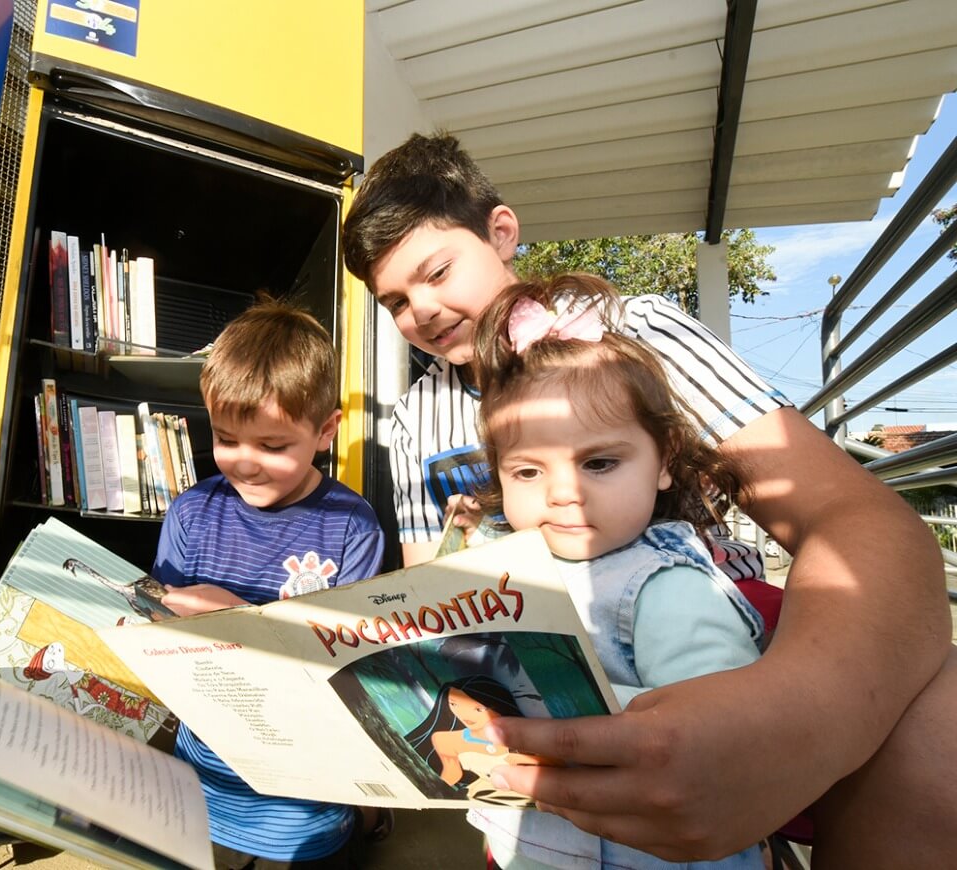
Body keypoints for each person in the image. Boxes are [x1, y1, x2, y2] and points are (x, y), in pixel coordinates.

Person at [340, 132, 954, 866]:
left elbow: (858, 521)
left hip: (714, 656)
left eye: (436, 271)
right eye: (397, 302)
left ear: (501, 233)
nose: (425, 311)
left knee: (941, 723)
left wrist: (794, 721)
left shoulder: (635, 334)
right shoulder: (414, 419)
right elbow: (436, 599)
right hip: (540, 707)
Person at [457, 275, 769, 868]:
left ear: (665, 461)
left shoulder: (666, 586)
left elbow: (717, 737)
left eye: (599, 462)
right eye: (527, 472)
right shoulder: (502, 568)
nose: (564, 494)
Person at [150, 297, 387, 869]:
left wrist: (235, 615)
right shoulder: (191, 512)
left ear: (326, 431)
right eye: (226, 439)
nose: (245, 462)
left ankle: (371, 822)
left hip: (306, 789)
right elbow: (155, 629)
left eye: (273, 446)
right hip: (202, 775)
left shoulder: (352, 524)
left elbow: (349, 661)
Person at [404, 674, 552, 804]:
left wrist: (521, 760)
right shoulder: (446, 739)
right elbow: (452, 773)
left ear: (498, 706)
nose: (465, 715)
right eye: (453, 704)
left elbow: (553, 763)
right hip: (482, 797)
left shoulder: (520, 735)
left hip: (530, 794)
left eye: (479, 709)